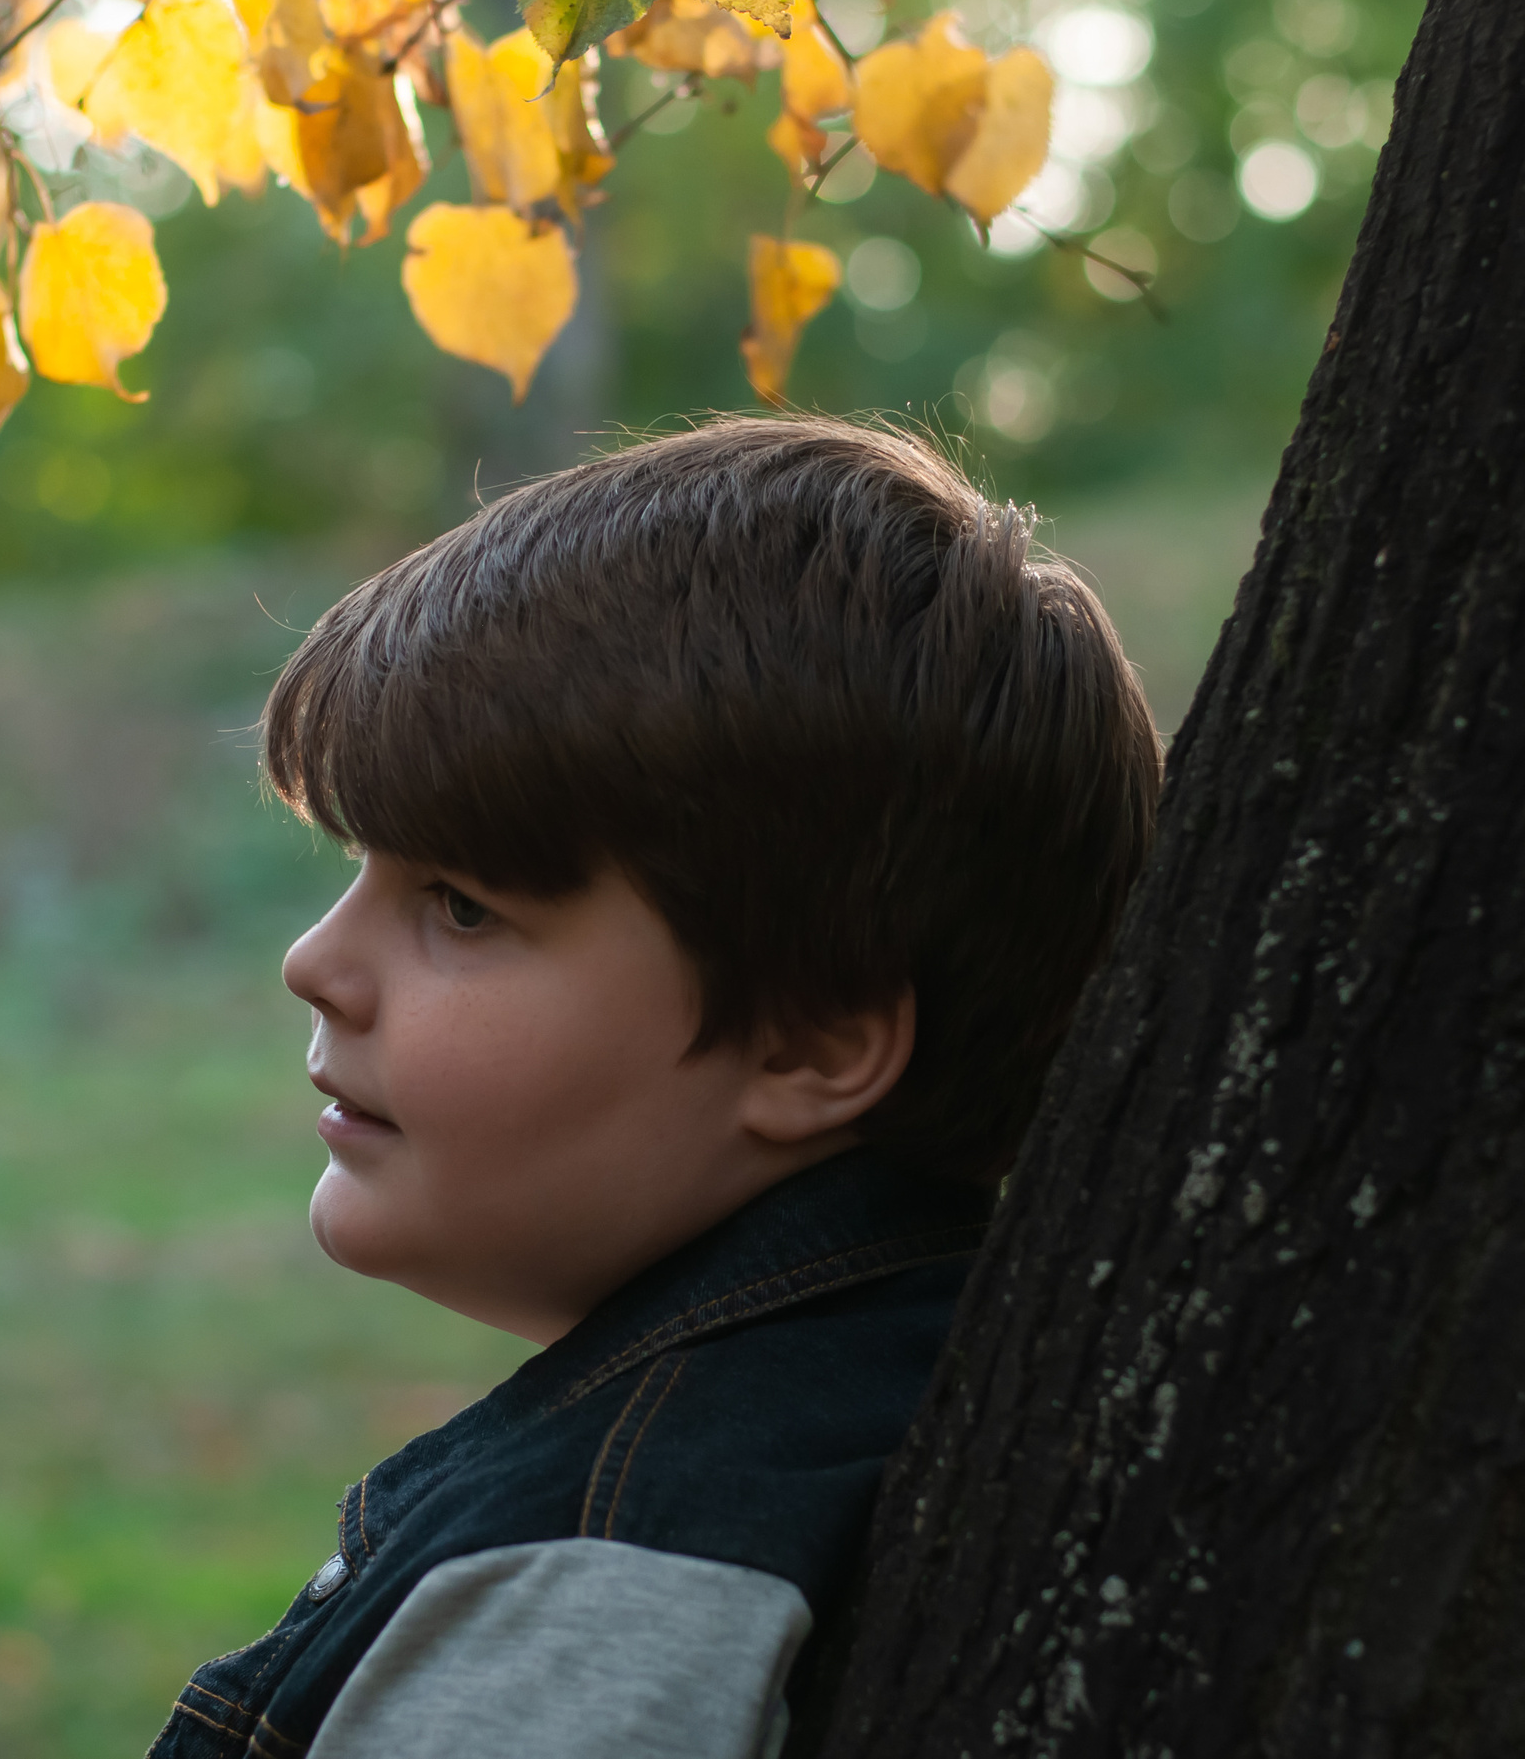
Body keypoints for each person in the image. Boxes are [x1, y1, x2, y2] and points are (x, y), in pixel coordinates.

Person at [143, 417, 1163, 1759]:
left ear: (810, 1040)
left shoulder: (604, 1582)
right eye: (361, 873)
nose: (313, 960)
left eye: (460, 905)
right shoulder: (930, 1385)